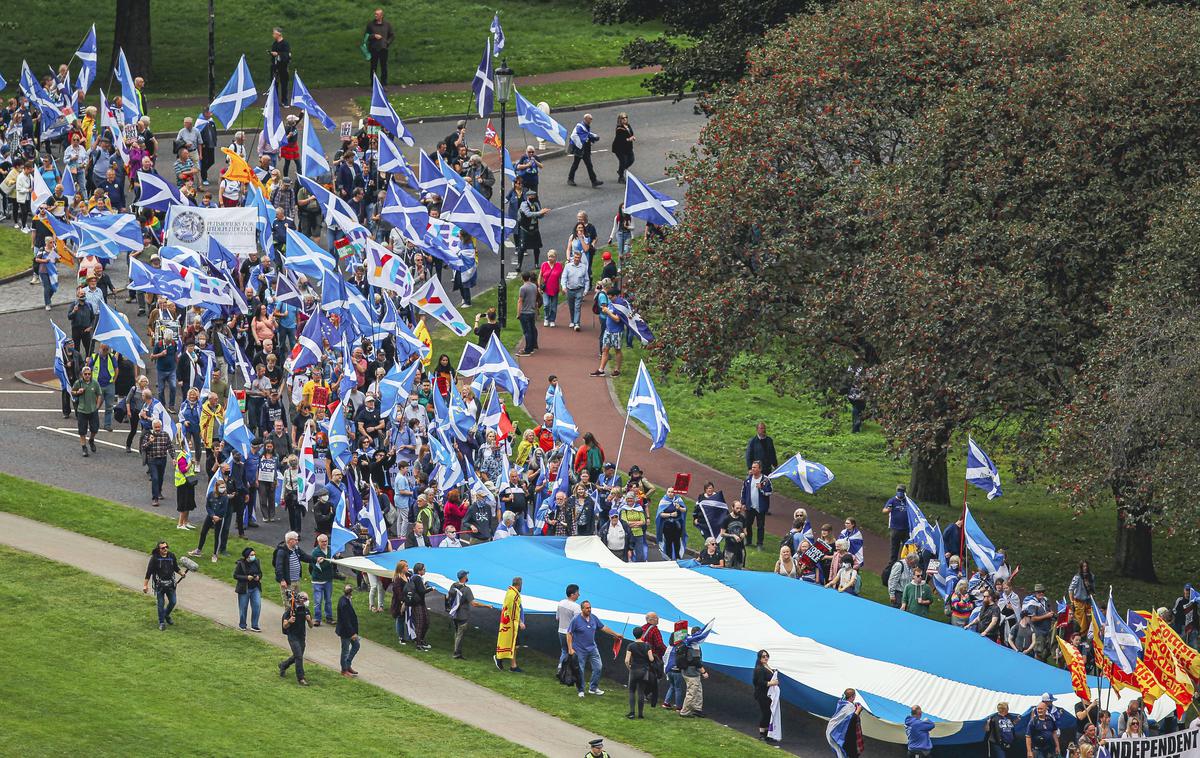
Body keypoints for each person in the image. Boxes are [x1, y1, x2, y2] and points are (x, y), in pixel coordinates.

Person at [567, 600, 618, 697]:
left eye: (590, 607)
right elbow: (569, 633)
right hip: (579, 649)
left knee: (598, 667)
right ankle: (581, 690)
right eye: (587, 608)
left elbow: (603, 627)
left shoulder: (593, 618)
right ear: (582, 609)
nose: (589, 609)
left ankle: (593, 688)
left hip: (592, 648)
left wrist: (616, 634)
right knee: (580, 670)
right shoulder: (575, 619)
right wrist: (570, 648)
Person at [143, 540, 184, 630]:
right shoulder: (155, 558)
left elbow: (176, 567)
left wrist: (181, 573)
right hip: (159, 586)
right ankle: (162, 622)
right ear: (159, 549)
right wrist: (145, 585)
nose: (165, 549)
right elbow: (148, 572)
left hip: (170, 585)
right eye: (163, 548)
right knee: (161, 604)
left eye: (166, 547)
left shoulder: (171, 556)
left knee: (173, 602)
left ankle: (166, 615)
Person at [272, 530, 320, 603]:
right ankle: (289, 615)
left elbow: (304, 556)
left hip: (296, 580)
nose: (297, 541)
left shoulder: (296, 548)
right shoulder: (282, 552)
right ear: (290, 541)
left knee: (297, 603)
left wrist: (316, 559)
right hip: (288, 583)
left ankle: (295, 614)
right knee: (289, 604)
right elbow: (278, 567)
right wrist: (281, 580)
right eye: (296, 540)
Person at [279, 590, 313, 685]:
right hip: (292, 636)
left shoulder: (306, 610)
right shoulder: (290, 611)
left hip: (301, 636)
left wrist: (309, 620)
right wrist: (289, 621)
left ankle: (283, 665)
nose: (307, 601)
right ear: (300, 599)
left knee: (297, 656)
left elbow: (311, 625)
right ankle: (301, 678)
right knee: (298, 656)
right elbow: (284, 625)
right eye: (305, 599)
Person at [494, 577, 526, 671]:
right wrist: (520, 622)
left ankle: (512, 664)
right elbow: (514, 610)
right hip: (512, 625)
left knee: (513, 644)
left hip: (509, 623)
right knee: (512, 644)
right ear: (519, 585)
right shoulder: (514, 595)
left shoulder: (510, 593)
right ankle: (503, 660)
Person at [677, 625, 709, 717]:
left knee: (698, 691)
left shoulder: (688, 641)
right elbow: (696, 661)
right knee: (692, 692)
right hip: (692, 673)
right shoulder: (694, 645)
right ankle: (685, 712)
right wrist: (704, 672)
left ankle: (697, 708)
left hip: (688, 671)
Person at [625, 626, 655, 719]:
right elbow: (651, 659)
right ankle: (641, 714)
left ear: (633, 635)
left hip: (634, 670)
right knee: (641, 692)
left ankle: (632, 713)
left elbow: (626, 660)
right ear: (642, 634)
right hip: (644, 670)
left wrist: (629, 668)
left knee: (631, 691)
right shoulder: (647, 645)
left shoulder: (631, 646)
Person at [741, 460, 772, 549]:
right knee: (747, 524)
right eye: (752, 467)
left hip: (760, 508)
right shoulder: (748, 479)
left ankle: (759, 544)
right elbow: (743, 491)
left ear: (760, 469)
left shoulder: (765, 480)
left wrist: (761, 489)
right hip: (749, 507)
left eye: (755, 467)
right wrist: (743, 502)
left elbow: (769, 492)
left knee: (760, 526)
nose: (752, 469)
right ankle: (748, 541)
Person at [71, 365, 101, 456]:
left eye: (89, 374)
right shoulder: (78, 383)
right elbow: (72, 392)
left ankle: (91, 440)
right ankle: (84, 447)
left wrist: (97, 406)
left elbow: (99, 394)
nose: (87, 375)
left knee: (95, 429)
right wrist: (77, 392)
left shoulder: (95, 383)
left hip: (93, 410)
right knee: (82, 431)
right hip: (82, 410)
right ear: (82, 375)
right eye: (85, 374)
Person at [403, 562, 433, 651]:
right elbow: (422, 591)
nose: (425, 570)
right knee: (421, 623)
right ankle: (418, 643)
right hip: (418, 604)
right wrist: (431, 589)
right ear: (419, 570)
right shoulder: (417, 578)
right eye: (424, 569)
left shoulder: (414, 577)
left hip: (419, 603)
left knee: (426, 622)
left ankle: (421, 640)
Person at [753, 649, 781, 744]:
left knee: (769, 714)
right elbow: (759, 682)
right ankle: (762, 734)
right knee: (766, 713)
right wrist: (772, 683)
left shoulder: (766, 666)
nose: (766, 658)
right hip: (762, 694)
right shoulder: (759, 669)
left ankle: (767, 734)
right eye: (763, 656)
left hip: (769, 694)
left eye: (767, 656)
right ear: (759, 658)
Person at [447, 570, 476, 659]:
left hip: (454, 614)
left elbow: (448, 596)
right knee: (460, 634)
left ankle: (457, 651)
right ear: (464, 577)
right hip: (463, 615)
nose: (467, 577)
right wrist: (487, 606)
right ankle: (457, 653)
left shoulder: (453, 586)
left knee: (457, 633)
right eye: (466, 575)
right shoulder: (467, 589)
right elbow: (473, 603)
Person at [567, 113, 602, 187]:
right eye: (590, 119)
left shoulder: (585, 126)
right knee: (576, 164)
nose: (591, 120)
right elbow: (574, 136)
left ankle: (594, 181)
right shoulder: (580, 126)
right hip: (580, 149)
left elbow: (587, 134)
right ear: (586, 119)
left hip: (585, 149)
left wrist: (594, 136)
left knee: (589, 165)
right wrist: (580, 145)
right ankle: (570, 179)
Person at [233, 546, 263, 632]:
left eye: (254, 554)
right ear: (247, 556)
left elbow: (260, 573)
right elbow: (235, 575)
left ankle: (255, 625)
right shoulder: (240, 564)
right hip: (244, 589)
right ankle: (242, 624)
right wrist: (246, 577)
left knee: (257, 605)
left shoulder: (256, 562)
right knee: (243, 607)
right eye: (252, 555)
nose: (254, 556)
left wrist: (258, 577)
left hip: (255, 587)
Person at [310, 533, 335, 625]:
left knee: (328, 600)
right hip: (318, 581)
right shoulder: (315, 553)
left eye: (326, 541)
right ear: (318, 542)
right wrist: (329, 561)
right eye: (322, 542)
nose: (324, 543)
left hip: (328, 580)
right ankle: (317, 619)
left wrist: (334, 557)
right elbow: (318, 568)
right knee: (318, 601)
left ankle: (329, 618)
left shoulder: (330, 550)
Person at [336, 584, 361, 678]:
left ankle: (347, 664)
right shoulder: (344, 603)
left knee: (356, 645)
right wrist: (352, 633)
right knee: (345, 650)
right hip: (346, 631)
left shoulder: (345, 600)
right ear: (350, 592)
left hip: (349, 630)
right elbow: (346, 620)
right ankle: (344, 670)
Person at [365, 8, 395, 84]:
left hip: (383, 49)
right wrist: (374, 36)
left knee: (384, 67)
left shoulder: (387, 25)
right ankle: (373, 84)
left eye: (377, 14)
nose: (375, 15)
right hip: (374, 49)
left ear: (381, 15)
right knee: (373, 67)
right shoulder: (370, 24)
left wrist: (387, 43)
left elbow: (392, 36)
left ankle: (384, 84)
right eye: (375, 14)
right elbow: (366, 36)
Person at [882, 485, 910, 566]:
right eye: (899, 490)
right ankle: (892, 566)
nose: (900, 492)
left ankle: (905, 565)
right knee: (894, 549)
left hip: (906, 529)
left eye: (902, 491)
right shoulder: (892, 501)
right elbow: (884, 511)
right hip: (895, 529)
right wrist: (888, 510)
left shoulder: (907, 501)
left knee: (906, 548)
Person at [1068, 560, 1096, 637]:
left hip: (1088, 601)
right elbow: (1071, 589)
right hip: (1079, 601)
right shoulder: (1077, 577)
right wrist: (1072, 601)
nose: (1085, 568)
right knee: (1080, 621)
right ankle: (1079, 637)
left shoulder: (1091, 576)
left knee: (1089, 619)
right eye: (1083, 566)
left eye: (1086, 566)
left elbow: (1093, 589)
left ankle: (1088, 636)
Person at [516, 271, 539, 356]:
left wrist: (518, 313)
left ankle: (528, 350)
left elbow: (520, 301)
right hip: (532, 311)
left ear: (522, 278)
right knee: (532, 329)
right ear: (529, 277)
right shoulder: (534, 286)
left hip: (525, 312)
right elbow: (535, 299)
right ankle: (532, 346)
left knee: (527, 331)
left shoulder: (522, 288)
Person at [612, 113, 635, 183]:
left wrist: (633, 137)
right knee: (623, 161)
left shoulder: (628, 125)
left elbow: (631, 133)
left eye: (626, 117)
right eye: (623, 118)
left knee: (631, 160)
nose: (625, 119)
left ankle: (621, 170)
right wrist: (629, 139)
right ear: (620, 120)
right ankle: (621, 177)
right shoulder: (619, 129)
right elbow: (621, 140)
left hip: (628, 148)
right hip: (619, 149)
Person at [269, 27, 291, 101]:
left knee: (284, 84)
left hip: (283, 67)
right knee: (274, 83)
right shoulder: (274, 44)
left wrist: (278, 54)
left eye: (274, 33)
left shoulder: (285, 44)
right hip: (275, 66)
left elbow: (287, 55)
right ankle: (274, 101)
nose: (273, 35)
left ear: (279, 34)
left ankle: (284, 101)